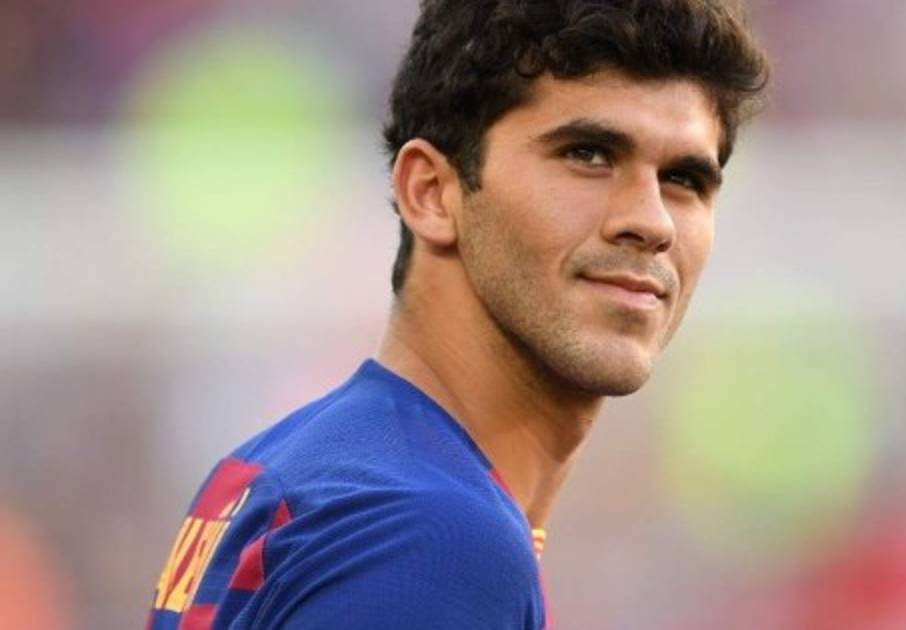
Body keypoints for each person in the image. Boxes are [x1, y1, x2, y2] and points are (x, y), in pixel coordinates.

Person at [146, 1, 767, 628]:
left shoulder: (294, 466)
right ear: (431, 193)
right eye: (588, 154)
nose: (652, 222)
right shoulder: (431, 539)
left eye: (685, 179)